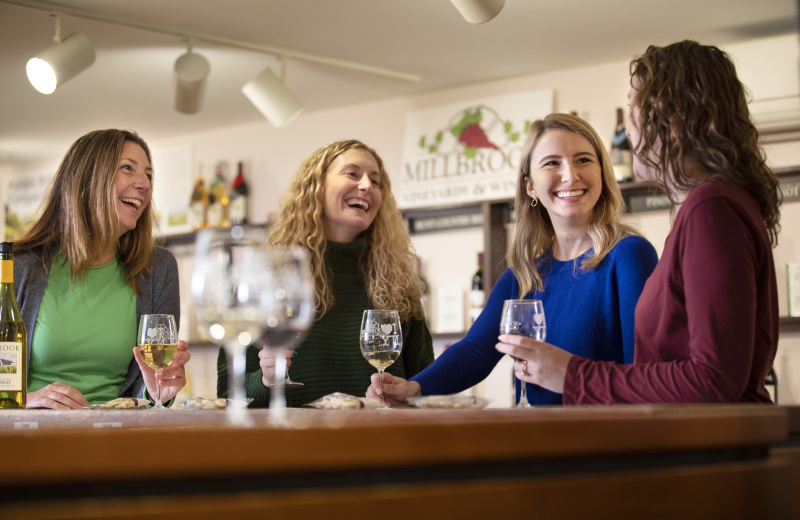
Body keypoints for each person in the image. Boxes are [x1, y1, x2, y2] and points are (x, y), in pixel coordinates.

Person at [495, 40, 781, 404]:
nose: (628, 130)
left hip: (706, 450)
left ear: (672, 114)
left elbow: (714, 379)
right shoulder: (716, 204)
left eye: (633, 106)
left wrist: (573, 374)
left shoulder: (711, 208)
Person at [369, 113, 659, 406]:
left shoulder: (629, 255)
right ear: (530, 186)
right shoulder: (524, 276)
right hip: (539, 440)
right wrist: (415, 388)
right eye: (552, 163)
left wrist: (571, 373)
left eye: (583, 160)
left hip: (609, 443)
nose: (571, 175)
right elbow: (475, 351)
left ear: (602, 173)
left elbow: (646, 376)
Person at [217, 139, 434, 407]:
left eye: (375, 181)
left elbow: (427, 387)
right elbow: (226, 396)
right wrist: (264, 379)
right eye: (352, 174)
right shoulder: (266, 279)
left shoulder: (401, 285)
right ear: (316, 186)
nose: (366, 185)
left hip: (379, 443)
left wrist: (406, 396)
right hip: (291, 444)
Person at [13, 129, 190, 409]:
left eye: (149, 175)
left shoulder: (158, 267)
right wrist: (24, 400)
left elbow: (150, 391)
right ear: (87, 178)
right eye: (128, 169)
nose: (144, 184)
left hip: (115, 436)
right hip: (31, 434)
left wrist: (158, 391)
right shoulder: (16, 265)